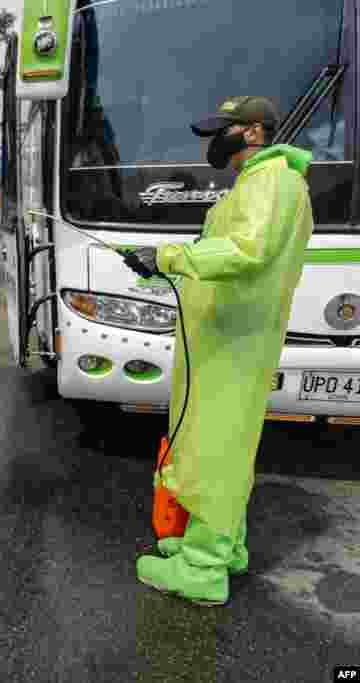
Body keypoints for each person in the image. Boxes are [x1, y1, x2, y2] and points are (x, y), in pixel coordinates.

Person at [125, 96, 314, 606]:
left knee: (216, 444)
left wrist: (168, 254)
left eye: (223, 131)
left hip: (234, 340)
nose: (215, 142)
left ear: (251, 132)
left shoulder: (272, 181)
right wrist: (167, 266)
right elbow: (227, 254)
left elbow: (247, 252)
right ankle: (221, 546)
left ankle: (204, 568)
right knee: (219, 443)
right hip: (224, 336)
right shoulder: (259, 183)